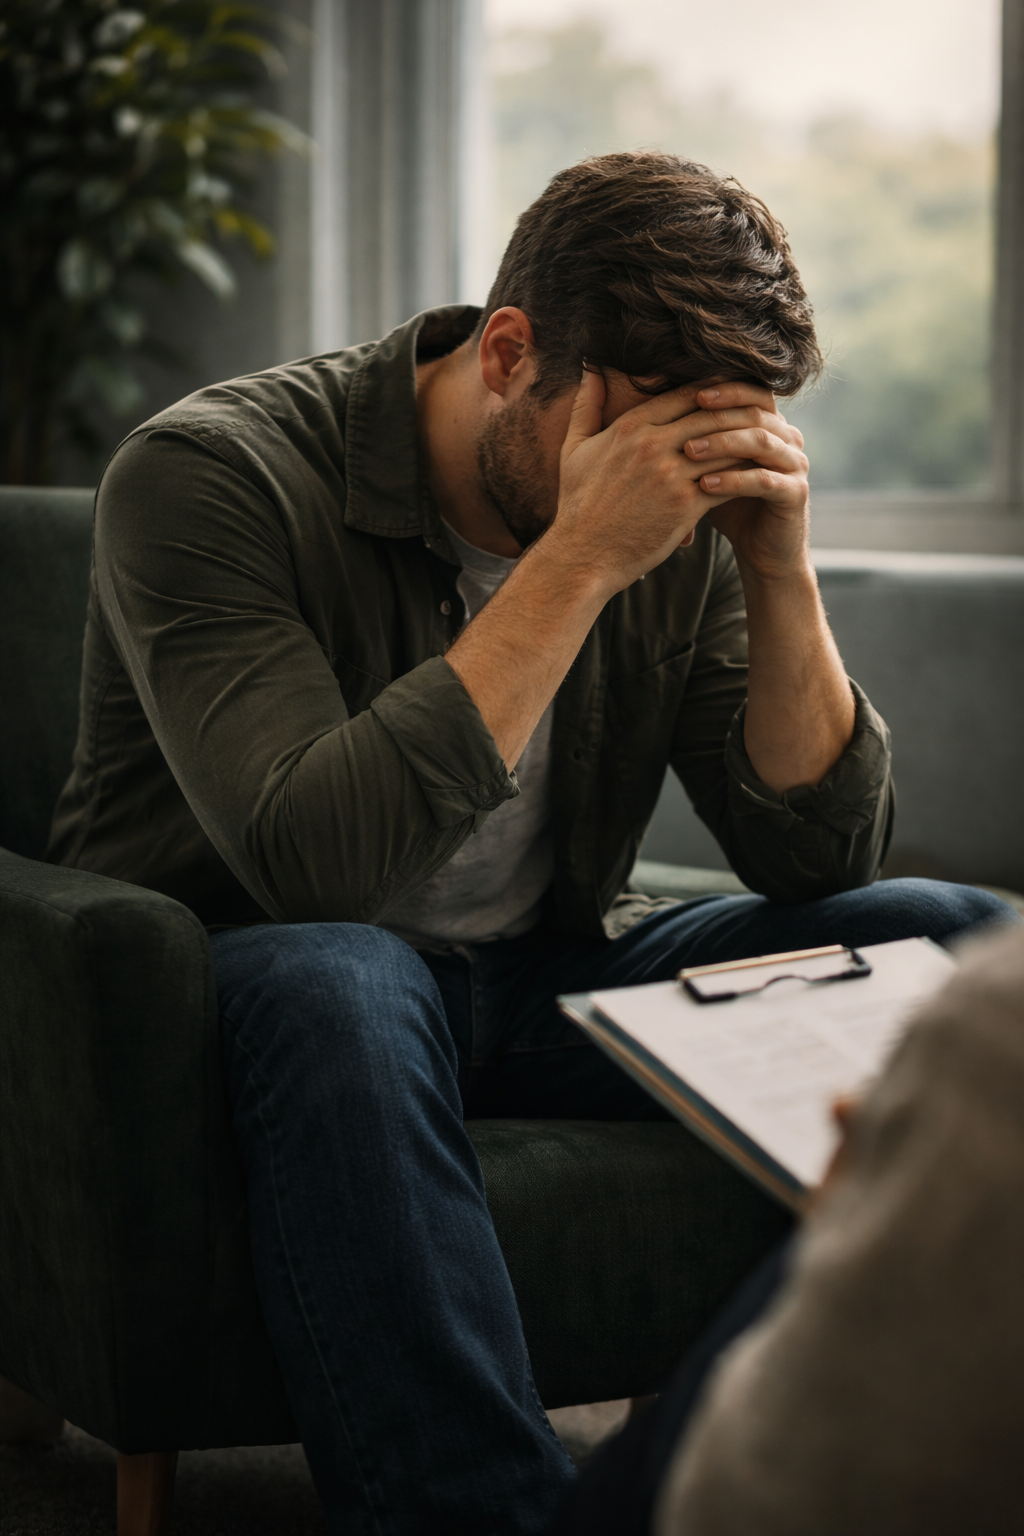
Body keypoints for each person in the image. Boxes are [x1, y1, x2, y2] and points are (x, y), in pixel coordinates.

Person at [47, 151, 1011, 1534]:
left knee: (962, 943)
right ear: (510, 354)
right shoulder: (212, 474)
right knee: (342, 975)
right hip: (267, 972)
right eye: (640, 434)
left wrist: (776, 563)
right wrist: (580, 559)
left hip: (551, 970)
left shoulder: (679, 514)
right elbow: (321, 867)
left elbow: (818, 860)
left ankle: (714, 1468)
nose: (667, 478)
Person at [549, 920, 1024, 1536]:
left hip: (566, 939)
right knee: (375, 978)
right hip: (413, 961)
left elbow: (826, 866)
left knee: (954, 913)